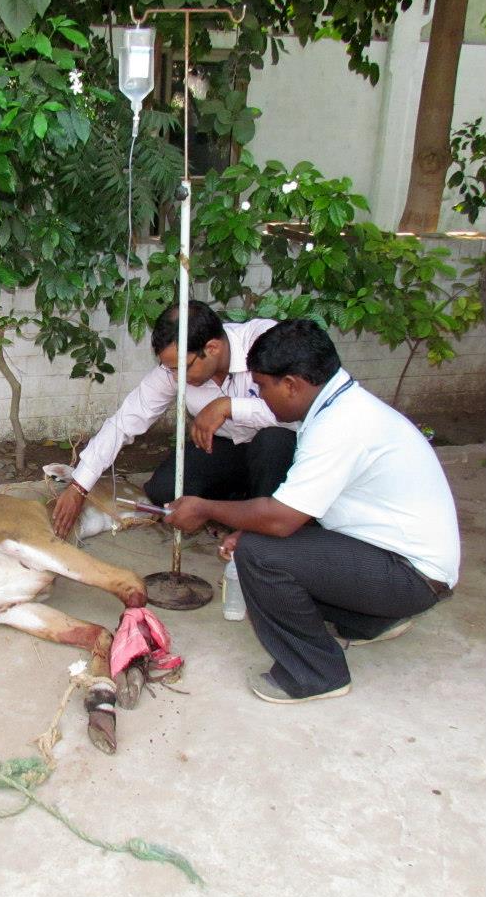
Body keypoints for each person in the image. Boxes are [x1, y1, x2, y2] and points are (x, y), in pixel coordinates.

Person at [165, 319, 460, 703]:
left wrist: (205, 508)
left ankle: (316, 673)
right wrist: (252, 527)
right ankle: (369, 620)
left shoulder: (341, 425)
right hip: (397, 560)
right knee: (262, 543)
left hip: (410, 575)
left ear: (291, 384)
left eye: (262, 388)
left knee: (261, 556)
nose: (260, 397)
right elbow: (302, 508)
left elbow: (280, 518)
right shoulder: (338, 408)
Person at [51, 301, 297, 539]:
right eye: (171, 370)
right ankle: (237, 506)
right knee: (164, 491)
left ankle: (264, 528)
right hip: (227, 448)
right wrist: (78, 486)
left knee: (273, 442)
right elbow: (125, 421)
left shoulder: (265, 342)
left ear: (212, 348)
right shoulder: (175, 369)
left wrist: (230, 407)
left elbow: (303, 412)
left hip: (280, 448)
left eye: (183, 368)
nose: (177, 378)